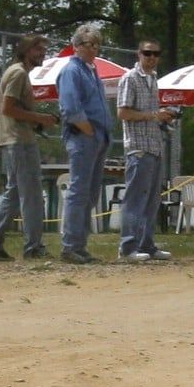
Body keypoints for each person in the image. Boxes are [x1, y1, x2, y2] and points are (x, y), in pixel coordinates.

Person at [0, 34, 58, 260]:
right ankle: (33, 247)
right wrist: (40, 118)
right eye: (37, 49)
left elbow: (13, 110)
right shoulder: (18, 73)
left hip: (17, 139)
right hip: (19, 142)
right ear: (25, 50)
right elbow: (7, 108)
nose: (42, 53)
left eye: (43, 49)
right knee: (31, 195)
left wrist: (34, 121)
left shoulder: (18, 73)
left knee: (14, 193)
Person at [56, 24, 112, 264]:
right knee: (78, 192)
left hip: (98, 139)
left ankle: (80, 244)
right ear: (76, 46)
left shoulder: (92, 70)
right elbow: (70, 108)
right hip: (82, 138)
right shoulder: (72, 71)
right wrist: (88, 131)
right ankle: (70, 246)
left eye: (97, 44)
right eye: (89, 44)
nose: (94, 49)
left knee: (90, 194)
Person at [117, 40, 174, 262]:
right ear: (139, 54)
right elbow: (122, 113)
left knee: (152, 200)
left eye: (156, 54)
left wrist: (163, 118)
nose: (151, 57)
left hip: (155, 146)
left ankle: (146, 244)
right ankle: (127, 246)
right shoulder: (130, 78)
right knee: (134, 199)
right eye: (147, 53)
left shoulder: (153, 79)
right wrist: (153, 115)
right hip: (138, 147)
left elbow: (152, 114)